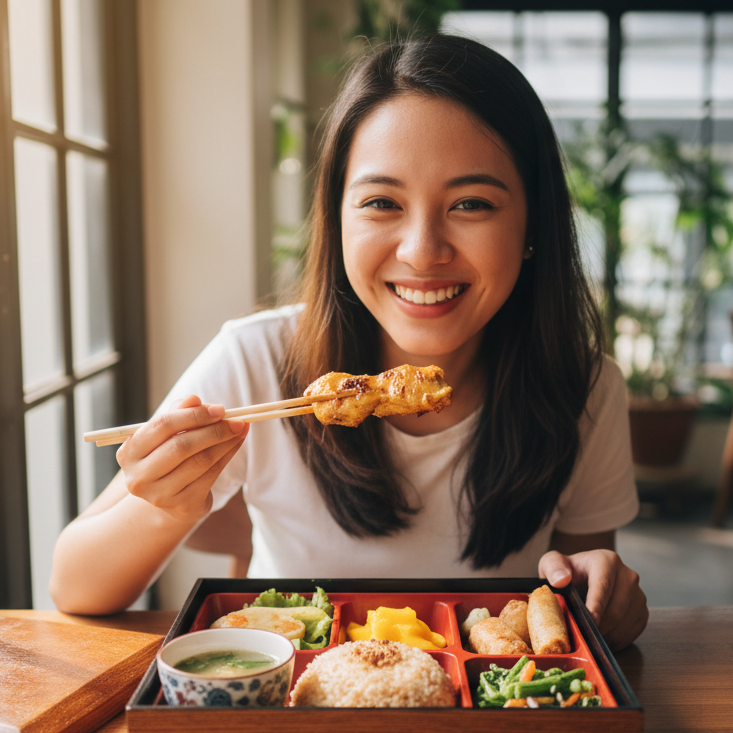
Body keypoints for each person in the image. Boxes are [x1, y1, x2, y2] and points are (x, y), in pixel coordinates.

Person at [50, 34, 648, 651]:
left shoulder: (583, 386)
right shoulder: (258, 360)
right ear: (337, 222)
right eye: (382, 202)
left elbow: (578, 595)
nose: (422, 251)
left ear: (532, 225)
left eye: (471, 203)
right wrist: (167, 506)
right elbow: (75, 586)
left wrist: (604, 597)